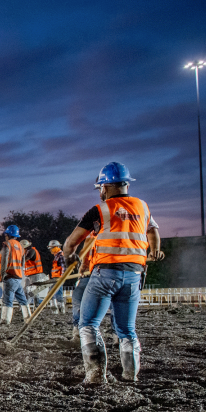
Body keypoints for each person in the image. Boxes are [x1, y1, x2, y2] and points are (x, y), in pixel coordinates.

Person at [63, 162, 163, 384]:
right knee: (127, 330)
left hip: (105, 274)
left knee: (88, 324)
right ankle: (131, 375)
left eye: (100, 187)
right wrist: (154, 251)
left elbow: (71, 242)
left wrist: (69, 256)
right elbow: (153, 231)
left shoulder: (100, 210)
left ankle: (96, 375)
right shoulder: (143, 207)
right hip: (134, 276)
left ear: (105, 187)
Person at [0, 225, 31, 324]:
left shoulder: (7, 244)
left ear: (7, 235)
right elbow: (22, 262)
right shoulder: (20, 246)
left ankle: (5, 320)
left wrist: (2, 273)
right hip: (18, 275)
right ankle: (28, 317)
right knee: (22, 298)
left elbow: (4, 260)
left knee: (7, 299)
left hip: (10, 275)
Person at [21, 239, 46, 307]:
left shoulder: (32, 251)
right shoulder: (26, 252)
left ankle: (36, 305)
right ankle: (26, 305)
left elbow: (27, 258)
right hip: (28, 274)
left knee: (35, 291)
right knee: (26, 290)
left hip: (35, 274)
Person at [47, 240, 67, 314]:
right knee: (59, 293)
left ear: (56, 247)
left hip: (59, 278)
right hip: (57, 277)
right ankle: (62, 310)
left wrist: (62, 277)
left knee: (51, 292)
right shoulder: (57, 256)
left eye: (51, 248)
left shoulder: (60, 255)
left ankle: (54, 309)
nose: (50, 250)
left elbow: (64, 267)